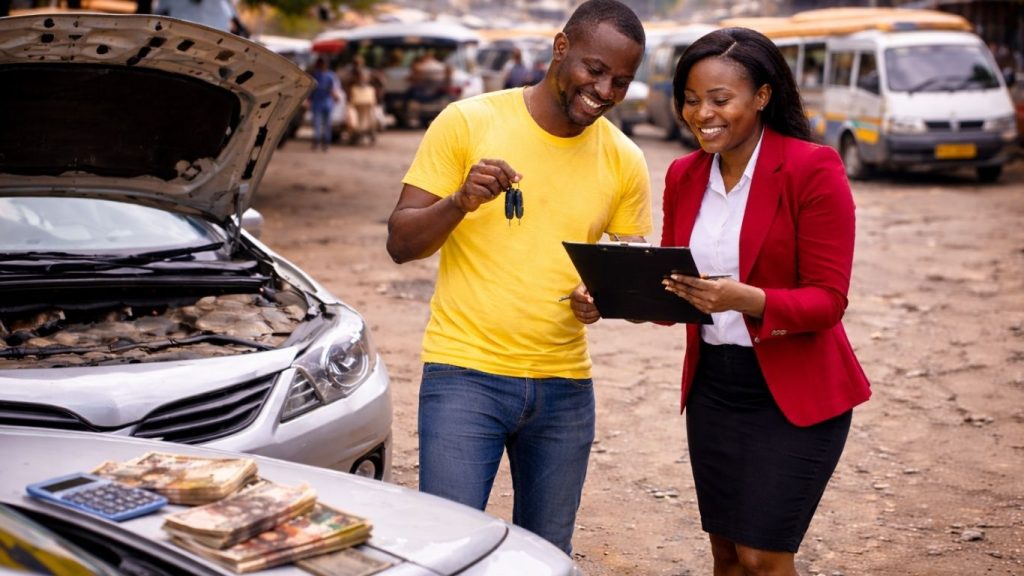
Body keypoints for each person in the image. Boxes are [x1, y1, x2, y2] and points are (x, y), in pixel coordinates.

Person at [385, 0, 649, 555]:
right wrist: (459, 201)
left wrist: (600, 298)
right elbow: (401, 244)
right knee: (448, 551)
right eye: (595, 70)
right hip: (465, 376)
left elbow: (625, 275)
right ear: (560, 47)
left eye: (621, 81)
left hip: (566, 388)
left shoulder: (625, 159)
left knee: (546, 556)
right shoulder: (468, 121)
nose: (604, 91)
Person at [653, 27, 871, 574]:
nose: (703, 114)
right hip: (713, 389)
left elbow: (827, 301)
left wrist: (745, 299)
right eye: (691, 99)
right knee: (726, 555)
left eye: (720, 99)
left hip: (795, 391)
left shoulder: (811, 167)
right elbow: (674, 286)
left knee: (764, 557)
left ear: (762, 97)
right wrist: (611, 290)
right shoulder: (683, 174)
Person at [307, 57, 342, 151]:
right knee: (320, 124)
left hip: (323, 102)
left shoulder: (324, 75)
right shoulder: (320, 75)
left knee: (323, 124)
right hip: (321, 102)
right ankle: (320, 141)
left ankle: (323, 142)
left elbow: (334, 89)